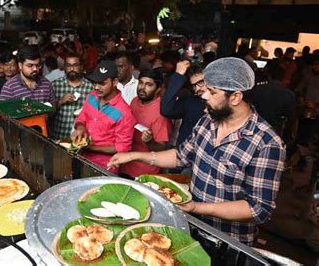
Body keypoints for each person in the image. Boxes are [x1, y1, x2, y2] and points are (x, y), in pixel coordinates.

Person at [108, 57, 286, 246]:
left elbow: (257, 209)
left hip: (227, 241)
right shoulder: (207, 121)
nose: (204, 95)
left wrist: (196, 207)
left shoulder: (267, 143)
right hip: (191, 226)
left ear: (235, 97)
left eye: (212, 92)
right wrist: (135, 155)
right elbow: (180, 156)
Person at [72, 60, 136, 174]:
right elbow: (81, 118)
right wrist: (80, 128)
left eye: (102, 84)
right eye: (95, 82)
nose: (96, 87)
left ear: (115, 82)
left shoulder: (125, 113)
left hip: (104, 167)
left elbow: (122, 147)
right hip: (81, 158)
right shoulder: (91, 96)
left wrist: (89, 147)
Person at [120, 69, 171, 178]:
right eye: (141, 83)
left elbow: (161, 149)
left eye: (149, 85)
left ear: (158, 89)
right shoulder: (134, 101)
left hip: (144, 173)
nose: (142, 88)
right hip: (125, 164)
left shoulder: (160, 112)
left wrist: (149, 141)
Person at [161, 61, 205, 146]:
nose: (197, 89)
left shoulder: (223, 105)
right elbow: (166, 110)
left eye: (200, 82)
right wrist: (178, 76)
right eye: (194, 85)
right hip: (184, 155)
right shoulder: (190, 102)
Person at [51, 53, 93, 139]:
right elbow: (48, 113)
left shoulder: (90, 87)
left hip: (80, 137)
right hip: (58, 136)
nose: (72, 68)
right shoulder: (55, 85)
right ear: (64, 68)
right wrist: (60, 101)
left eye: (75, 65)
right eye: (68, 65)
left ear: (81, 67)